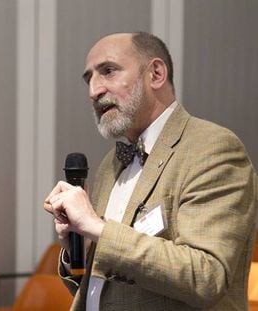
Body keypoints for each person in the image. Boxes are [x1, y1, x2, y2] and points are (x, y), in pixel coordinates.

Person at [44, 32, 257, 310]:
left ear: (155, 74)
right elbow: (108, 286)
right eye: (89, 79)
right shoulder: (111, 162)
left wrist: (98, 228)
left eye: (108, 71)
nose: (94, 91)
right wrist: (81, 250)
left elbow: (206, 276)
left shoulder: (213, 148)